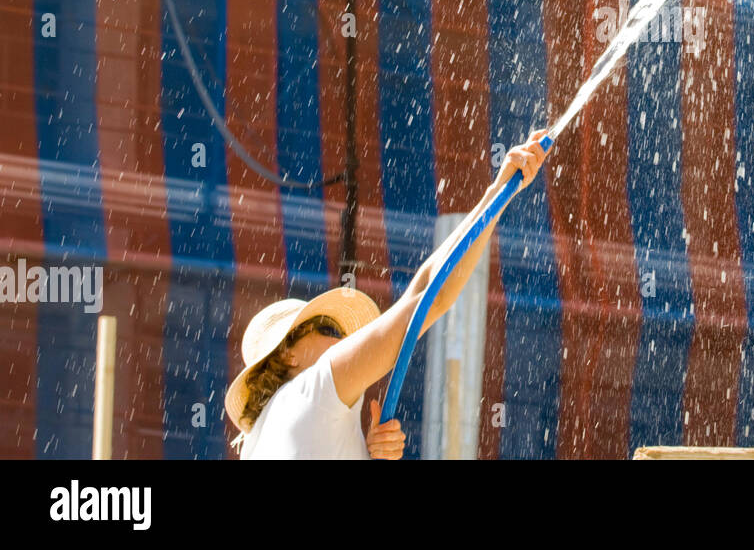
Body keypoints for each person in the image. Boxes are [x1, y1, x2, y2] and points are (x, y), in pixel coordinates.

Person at [223, 131, 550, 459]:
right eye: (329, 330)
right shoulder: (315, 389)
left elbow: (423, 291)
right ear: (287, 356)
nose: (343, 341)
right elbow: (428, 298)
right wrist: (497, 194)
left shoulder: (264, 434)